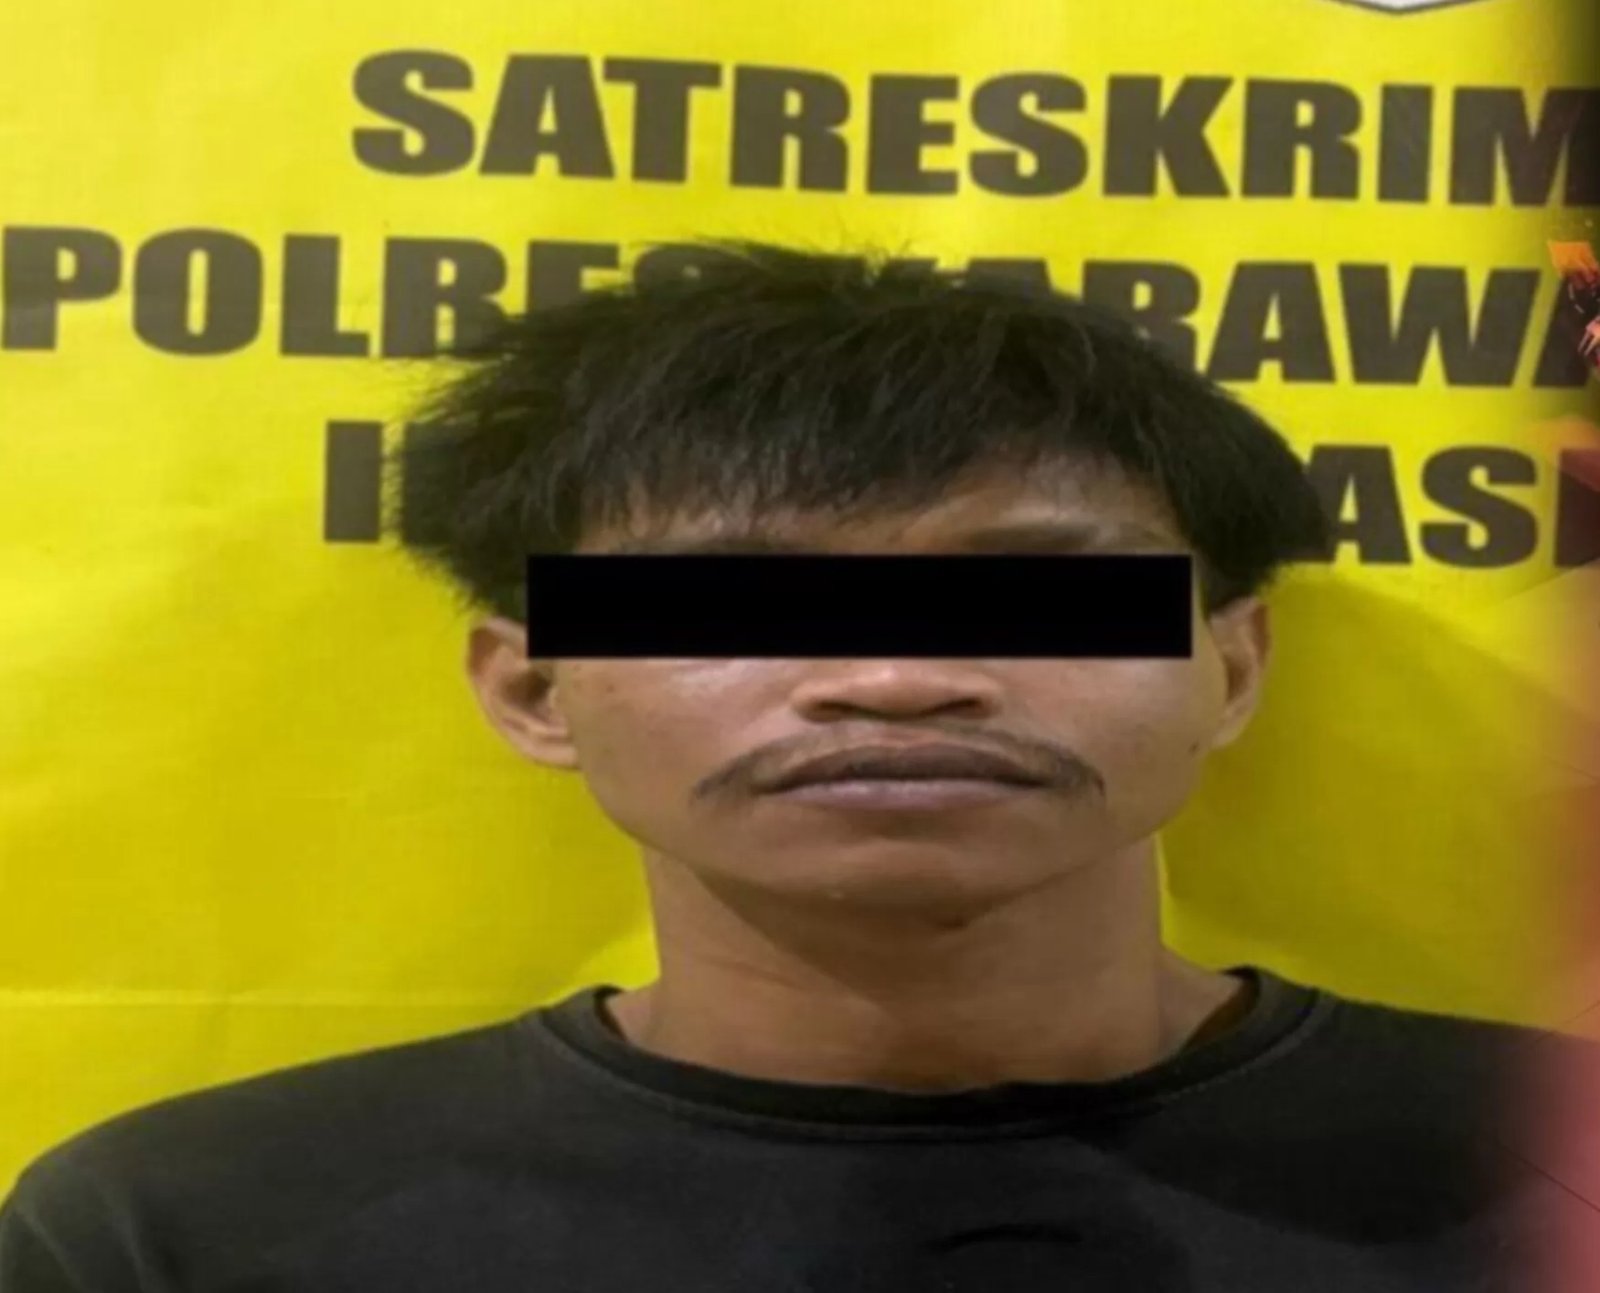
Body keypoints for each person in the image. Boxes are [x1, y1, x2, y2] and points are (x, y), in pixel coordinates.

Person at [1, 239, 1593, 1292]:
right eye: (737, 601)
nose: (895, 676)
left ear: (1231, 667)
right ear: (535, 687)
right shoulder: (180, 1232)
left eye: (1036, 593)